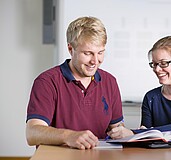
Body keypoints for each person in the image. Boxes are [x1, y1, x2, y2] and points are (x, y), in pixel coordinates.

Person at [26, 16, 124, 150]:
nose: (95, 61)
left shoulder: (110, 82)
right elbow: (32, 133)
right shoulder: (47, 82)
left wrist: (123, 132)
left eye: (100, 53)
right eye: (88, 53)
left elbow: (117, 127)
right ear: (70, 49)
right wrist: (68, 136)